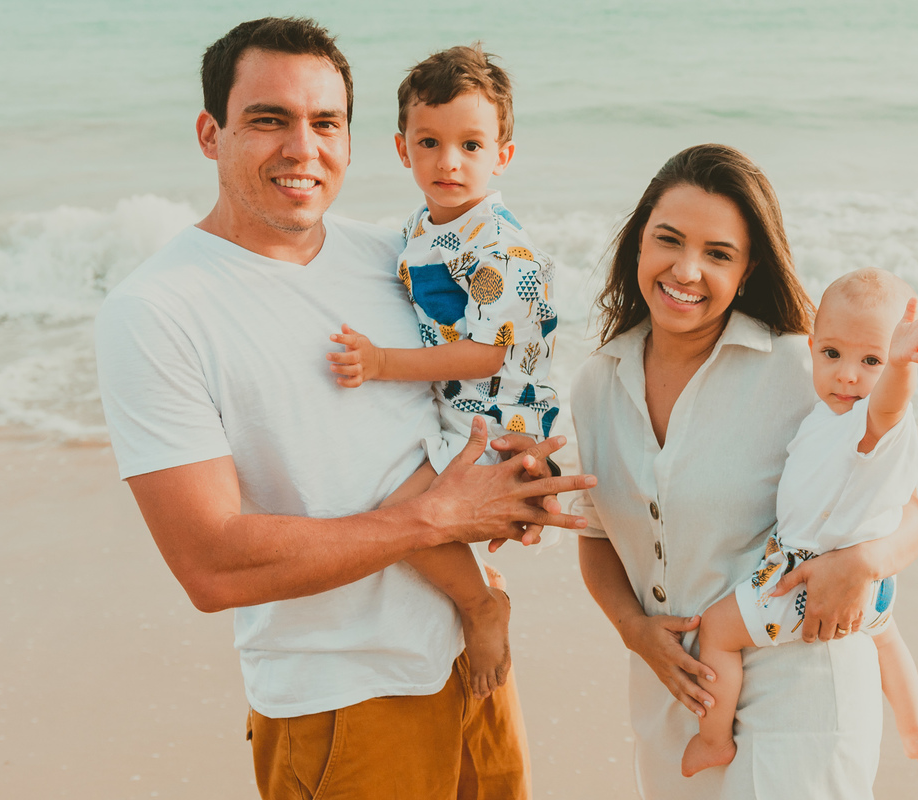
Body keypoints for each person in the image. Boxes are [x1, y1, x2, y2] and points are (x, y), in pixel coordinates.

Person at [93, 17, 591, 800]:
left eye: (325, 122)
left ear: (354, 141)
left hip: (472, 665)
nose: (303, 147)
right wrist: (441, 518)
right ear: (209, 132)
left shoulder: (393, 256)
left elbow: (479, 381)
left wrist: (521, 474)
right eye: (268, 119)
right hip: (341, 702)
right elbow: (211, 565)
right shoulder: (157, 310)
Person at [571, 144, 918, 799]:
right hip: (678, 705)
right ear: (637, 246)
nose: (687, 270)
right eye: (668, 241)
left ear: (747, 272)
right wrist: (634, 631)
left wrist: (865, 565)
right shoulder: (595, 384)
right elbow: (598, 536)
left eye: (718, 253)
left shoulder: (802, 366)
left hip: (803, 683)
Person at [325, 43, 558, 700]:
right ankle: (480, 582)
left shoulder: (502, 249)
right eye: (429, 142)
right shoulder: (424, 226)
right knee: (396, 502)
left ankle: (483, 606)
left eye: (471, 146)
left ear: (502, 155)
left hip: (500, 418)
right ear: (402, 148)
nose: (448, 162)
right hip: (457, 408)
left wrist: (380, 365)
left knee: (401, 512)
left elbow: (487, 354)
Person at [682, 268, 918, 777]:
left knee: (718, 630)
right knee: (887, 640)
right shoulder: (833, 417)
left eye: (872, 361)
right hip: (874, 590)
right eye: (832, 354)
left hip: (807, 579)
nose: (848, 375)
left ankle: (713, 739)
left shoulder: (869, 421)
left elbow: (891, 408)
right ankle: (915, 728)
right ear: (811, 347)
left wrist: (900, 367)